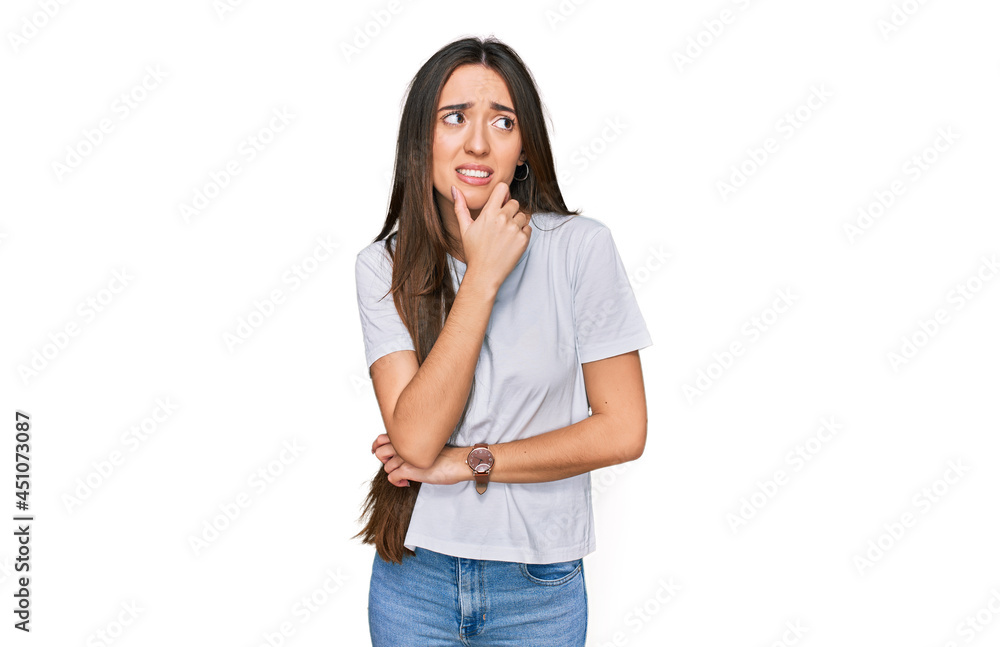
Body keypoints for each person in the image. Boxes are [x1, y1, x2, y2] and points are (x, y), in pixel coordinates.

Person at [353, 35, 653, 646]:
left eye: (503, 121)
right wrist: (483, 277)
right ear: (422, 139)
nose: (478, 142)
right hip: (415, 580)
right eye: (454, 117)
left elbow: (623, 429)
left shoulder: (579, 249)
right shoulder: (381, 266)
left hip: (539, 586)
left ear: (523, 148)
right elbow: (412, 437)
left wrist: (468, 464)